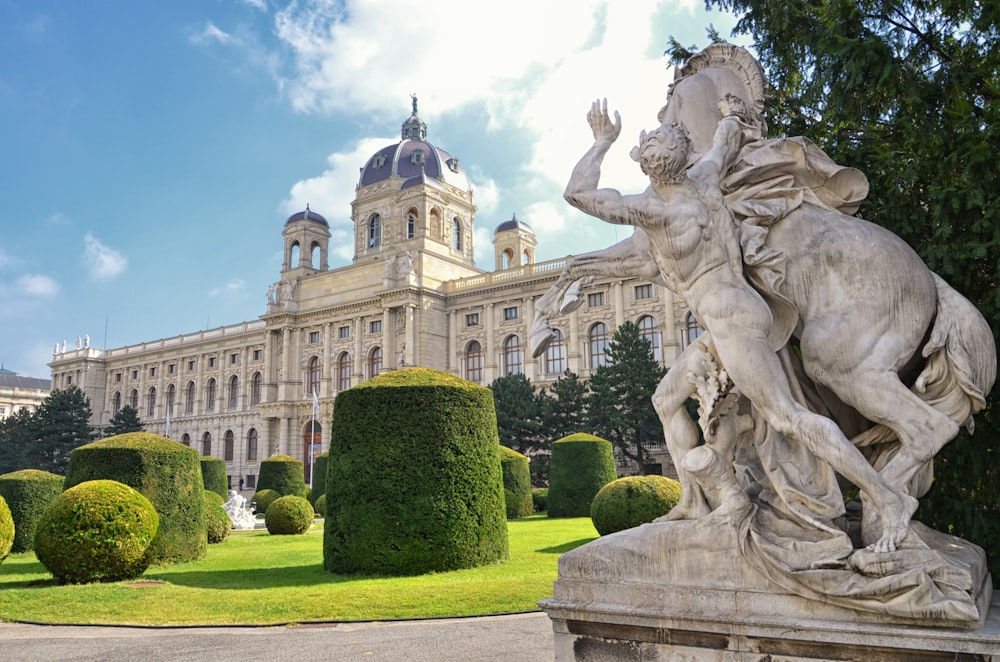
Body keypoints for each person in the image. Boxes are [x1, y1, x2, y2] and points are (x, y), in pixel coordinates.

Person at [563, 98, 917, 553]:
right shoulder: (706, 179)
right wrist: (732, 113)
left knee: (789, 417)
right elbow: (727, 139)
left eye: (648, 143)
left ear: (648, 165)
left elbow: (579, 194)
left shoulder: (658, 214)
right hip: (736, 314)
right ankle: (698, 500)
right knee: (666, 398)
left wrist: (600, 142)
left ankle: (888, 499)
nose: (647, 143)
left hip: (730, 322)